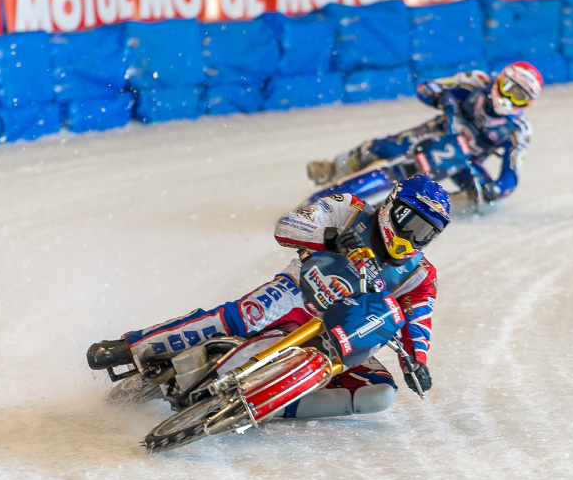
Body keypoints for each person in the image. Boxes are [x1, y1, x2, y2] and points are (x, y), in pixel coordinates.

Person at [87, 174, 451, 419]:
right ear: (392, 207)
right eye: (411, 222)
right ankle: (132, 347)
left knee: (379, 395)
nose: (413, 237)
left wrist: (416, 361)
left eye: (425, 233)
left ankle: (266, 407)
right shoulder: (350, 208)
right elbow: (287, 225)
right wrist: (330, 239)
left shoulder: (420, 274)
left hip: (345, 336)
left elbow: (418, 320)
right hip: (299, 292)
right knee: (244, 316)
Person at [307, 61, 543, 207]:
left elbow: (512, 174)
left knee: (484, 199)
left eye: (519, 96)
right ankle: (334, 167)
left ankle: (447, 214)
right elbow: (426, 87)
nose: (509, 98)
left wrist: (498, 189)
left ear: (527, 103)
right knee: (383, 146)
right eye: (508, 88)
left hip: (464, 161)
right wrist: (444, 99)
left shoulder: (520, 130)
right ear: (499, 80)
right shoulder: (477, 81)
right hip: (437, 130)